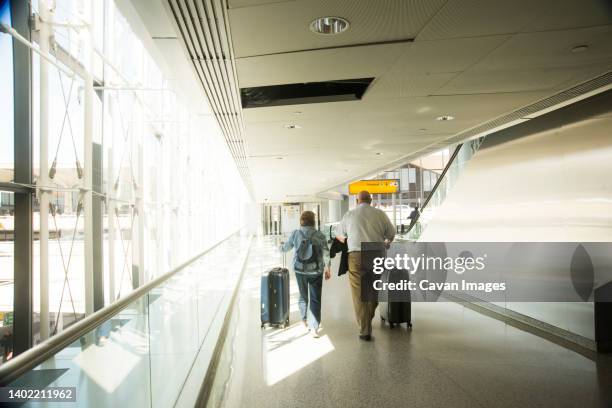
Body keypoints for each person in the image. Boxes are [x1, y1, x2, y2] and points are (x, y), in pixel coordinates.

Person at [333, 190, 395, 341]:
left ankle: (364, 329)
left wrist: (348, 240)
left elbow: (339, 234)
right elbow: (391, 234)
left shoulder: (349, 215)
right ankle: (368, 317)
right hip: (376, 255)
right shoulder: (380, 214)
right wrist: (386, 243)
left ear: (357, 201)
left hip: (356, 256)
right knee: (373, 290)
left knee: (358, 294)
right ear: (371, 200)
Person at [281, 210, 329, 338]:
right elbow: (326, 252)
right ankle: (314, 328)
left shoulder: (296, 233)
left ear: (301, 221)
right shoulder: (319, 235)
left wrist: (279, 247)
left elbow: (285, 248)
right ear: (313, 221)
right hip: (316, 271)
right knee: (315, 298)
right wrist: (328, 268)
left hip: (300, 270)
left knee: (303, 296)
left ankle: (304, 320)